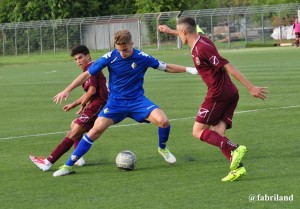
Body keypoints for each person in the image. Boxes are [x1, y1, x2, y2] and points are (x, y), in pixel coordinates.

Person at [51, 29, 198, 177]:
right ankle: (67, 166)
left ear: (132, 44)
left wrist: (189, 69)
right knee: (95, 131)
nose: (122, 53)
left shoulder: (142, 57)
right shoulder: (110, 57)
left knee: (164, 121)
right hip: (115, 103)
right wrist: (67, 90)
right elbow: (87, 74)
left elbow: (165, 67)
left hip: (137, 101)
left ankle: (162, 149)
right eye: (119, 50)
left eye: (126, 50)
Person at [158, 17, 268, 182]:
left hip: (218, 95)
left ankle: (235, 149)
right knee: (218, 133)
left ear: (184, 32)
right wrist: (170, 31)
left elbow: (227, 65)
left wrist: (250, 87)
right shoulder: (200, 38)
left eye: (178, 32)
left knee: (198, 131)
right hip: (230, 92)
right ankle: (237, 168)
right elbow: (188, 31)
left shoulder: (201, 48)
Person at [29, 45, 108, 171]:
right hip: (96, 105)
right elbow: (90, 92)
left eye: (80, 57)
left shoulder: (92, 68)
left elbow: (92, 91)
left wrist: (82, 104)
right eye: (76, 59)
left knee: (74, 132)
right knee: (74, 125)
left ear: (88, 56)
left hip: (98, 105)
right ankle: (77, 157)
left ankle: (47, 162)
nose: (78, 61)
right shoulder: (89, 69)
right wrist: (74, 104)